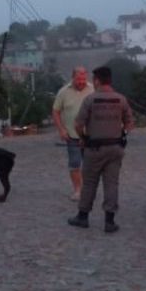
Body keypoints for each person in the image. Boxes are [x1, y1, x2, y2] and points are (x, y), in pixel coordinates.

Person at [67, 66, 134, 233]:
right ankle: (109, 221)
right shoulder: (121, 99)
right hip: (115, 147)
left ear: (96, 81)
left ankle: (83, 217)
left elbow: (78, 124)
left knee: (89, 183)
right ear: (110, 80)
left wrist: (83, 138)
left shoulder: (90, 100)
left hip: (94, 148)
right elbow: (130, 122)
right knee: (112, 184)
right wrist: (123, 135)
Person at [52, 66, 94, 201]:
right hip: (72, 136)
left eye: (83, 79)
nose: (81, 82)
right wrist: (61, 130)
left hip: (90, 136)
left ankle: (88, 190)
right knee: (75, 164)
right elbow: (55, 111)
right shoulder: (63, 92)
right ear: (73, 78)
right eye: (78, 79)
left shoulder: (93, 90)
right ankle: (78, 190)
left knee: (90, 165)